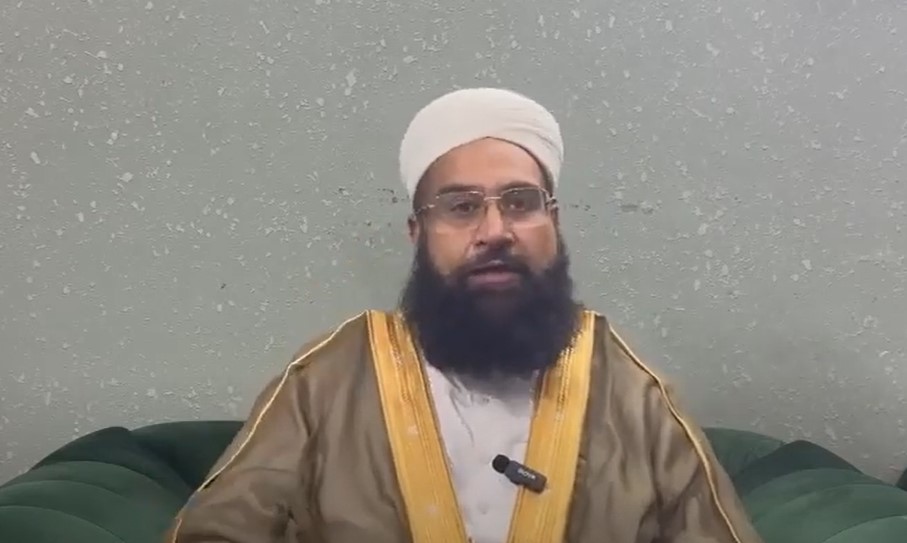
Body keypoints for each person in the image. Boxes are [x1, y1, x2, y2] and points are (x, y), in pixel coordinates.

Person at [165, 88, 763, 543]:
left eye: (521, 203)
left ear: (554, 222)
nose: (495, 231)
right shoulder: (328, 379)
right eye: (461, 207)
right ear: (417, 232)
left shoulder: (634, 393)